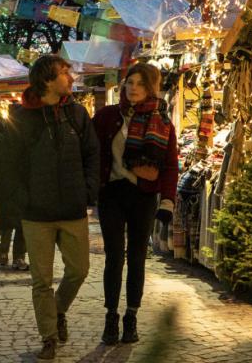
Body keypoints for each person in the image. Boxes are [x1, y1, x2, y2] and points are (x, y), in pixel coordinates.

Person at [6, 55, 100, 360]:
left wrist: (87, 191)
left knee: (79, 271)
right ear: (47, 79)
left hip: (72, 209)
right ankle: (48, 337)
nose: (70, 78)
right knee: (41, 280)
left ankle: (57, 311)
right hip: (36, 213)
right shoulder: (22, 117)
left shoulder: (77, 114)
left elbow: (92, 154)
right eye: (64, 73)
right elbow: (10, 164)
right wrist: (23, 199)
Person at [92, 63, 179, 345]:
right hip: (112, 195)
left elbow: (169, 165)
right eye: (129, 83)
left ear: (150, 87)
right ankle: (111, 317)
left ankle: (131, 317)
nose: (133, 88)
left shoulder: (163, 121)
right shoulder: (106, 116)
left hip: (143, 196)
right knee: (114, 256)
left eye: (140, 84)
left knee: (138, 257)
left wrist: (167, 200)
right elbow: (91, 154)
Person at [0, 102, 28, 271]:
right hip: (15, 182)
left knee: (10, 221)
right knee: (18, 221)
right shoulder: (16, 133)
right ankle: (17, 257)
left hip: (8, 182)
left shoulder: (1, 134)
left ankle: (6, 254)